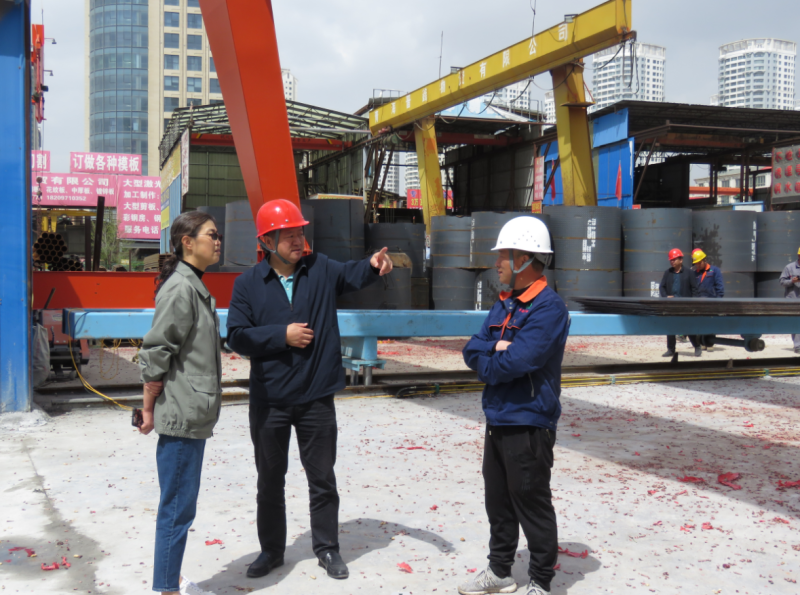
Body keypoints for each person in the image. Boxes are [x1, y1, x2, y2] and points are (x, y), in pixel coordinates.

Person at [226, 199, 393, 581]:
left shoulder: (320, 269)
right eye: (288, 235)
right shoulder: (248, 284)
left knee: (322, 479)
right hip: (270, 400)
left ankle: (327, 548)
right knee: (270, 481)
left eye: (300, 233)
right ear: (267, 241)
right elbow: (236, 335)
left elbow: (352, 274)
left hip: (316, 396)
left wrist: (373, 265)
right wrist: (280, 335)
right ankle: (271, 551)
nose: (298, 241)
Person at [459, 217, 570, 595]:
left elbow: (519, 361)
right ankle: (499, 570)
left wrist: (490, 362)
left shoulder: (549, 309)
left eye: (503, 255)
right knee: (499, 501)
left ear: (524, 258)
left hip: (529, 420)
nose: (497, 263)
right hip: (498, 417)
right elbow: (471, 349)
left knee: (531, 501)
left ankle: (541, 580)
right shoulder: (504, 304)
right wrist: (495, 347)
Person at [138, 212, 223, 595]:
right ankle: (167, 589)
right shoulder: (181, 289)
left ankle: (169, 581)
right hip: (182, 413)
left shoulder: (193, 286)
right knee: (176, 507)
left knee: (179, 505)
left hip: (192, 410)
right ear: (187, 242)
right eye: (211, 235)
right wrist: (147, 410)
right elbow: (156, 354)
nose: (217, 241)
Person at [659, 248, 700, 358]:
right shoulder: (668, 273)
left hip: (685, 305)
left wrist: (693, 304)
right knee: (670, 327)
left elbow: (695, 289)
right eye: (671, 260)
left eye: (674, 259)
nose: (672, 261)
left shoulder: (689, 273)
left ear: (681, 260)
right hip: (671, 305)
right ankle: (671, 349)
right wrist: (666, 297)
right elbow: (662, 287)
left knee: (688, 327)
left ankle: (697, 346)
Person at [691, 248, 724, 351]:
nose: (698, 265)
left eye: (699, 262)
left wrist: (718, 301)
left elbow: (719, 287)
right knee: (700, 322)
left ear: (704, 260)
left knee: (710, 322)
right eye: (696, 263)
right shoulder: (694, 273)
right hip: (698, 302)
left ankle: (710, 343)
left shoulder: (714, 271)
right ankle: (701, 342)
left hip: (711, 301)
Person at [779, 247, 800, 354]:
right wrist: (792, 281)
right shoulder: (789, 267)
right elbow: (782, 282)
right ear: (799, 255)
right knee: (796, 323)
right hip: (793, 300)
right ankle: (798, 346)